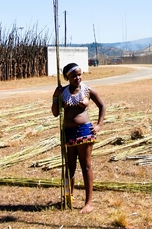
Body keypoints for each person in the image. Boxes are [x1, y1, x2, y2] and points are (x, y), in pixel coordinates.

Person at [51, 62, 106, 214]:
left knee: (86, 165)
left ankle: (89, 203)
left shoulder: (87, 90)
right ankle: (69, 196)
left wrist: (99, 125)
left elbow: (102, 105)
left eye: (80, 74)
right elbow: (55, 113)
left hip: (84, 132)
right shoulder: (62, 92)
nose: (78, 78)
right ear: (67, 77)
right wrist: (55, 97)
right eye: (74, 75)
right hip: (68, 133)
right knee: (70, 168)